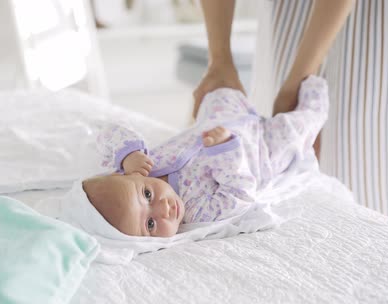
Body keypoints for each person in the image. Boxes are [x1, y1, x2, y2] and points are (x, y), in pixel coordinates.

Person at [194, 0, 388, 217]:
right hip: (290, 10)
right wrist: (219, 57)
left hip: (382, 19)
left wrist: (299, 82)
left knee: (366, 176)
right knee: (272, 167)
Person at [82, 75, 328, 237]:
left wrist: (128, 153)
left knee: (218, 93)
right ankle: (315, 93)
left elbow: (109, 132)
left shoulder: (138, 164)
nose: (163, 209)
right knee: (297, 131)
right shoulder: (195, 210)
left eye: (147, 195)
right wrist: (224, 151)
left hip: (218, 120)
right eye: (150, 225)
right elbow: (239, 195)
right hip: (260, 151)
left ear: (121, 175)